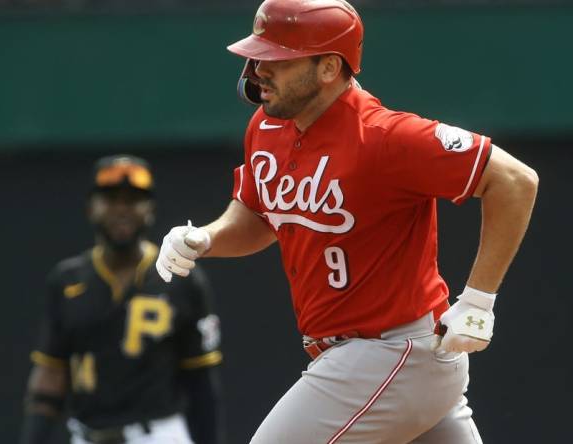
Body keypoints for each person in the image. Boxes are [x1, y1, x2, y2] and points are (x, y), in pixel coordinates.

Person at [155, 0, 539, 443]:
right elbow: (261, 214)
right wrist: (206, 237)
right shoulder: (265, 127)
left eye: (277, 58)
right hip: (369, 360)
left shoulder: (384, 136)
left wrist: (479, 299)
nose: (259, 69)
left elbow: (514, 180)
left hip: (393, 350)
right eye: (258, 56)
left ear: (328, 68)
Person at [20, 155, 224, 444]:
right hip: (88, 435)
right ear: (91, 208)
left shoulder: (181, 276)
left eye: (133, 200)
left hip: (158, 435)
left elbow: (201, 381)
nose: (122, 209)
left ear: (150, 209)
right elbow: (51, 376)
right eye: (111, 199)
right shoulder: (66, 280)